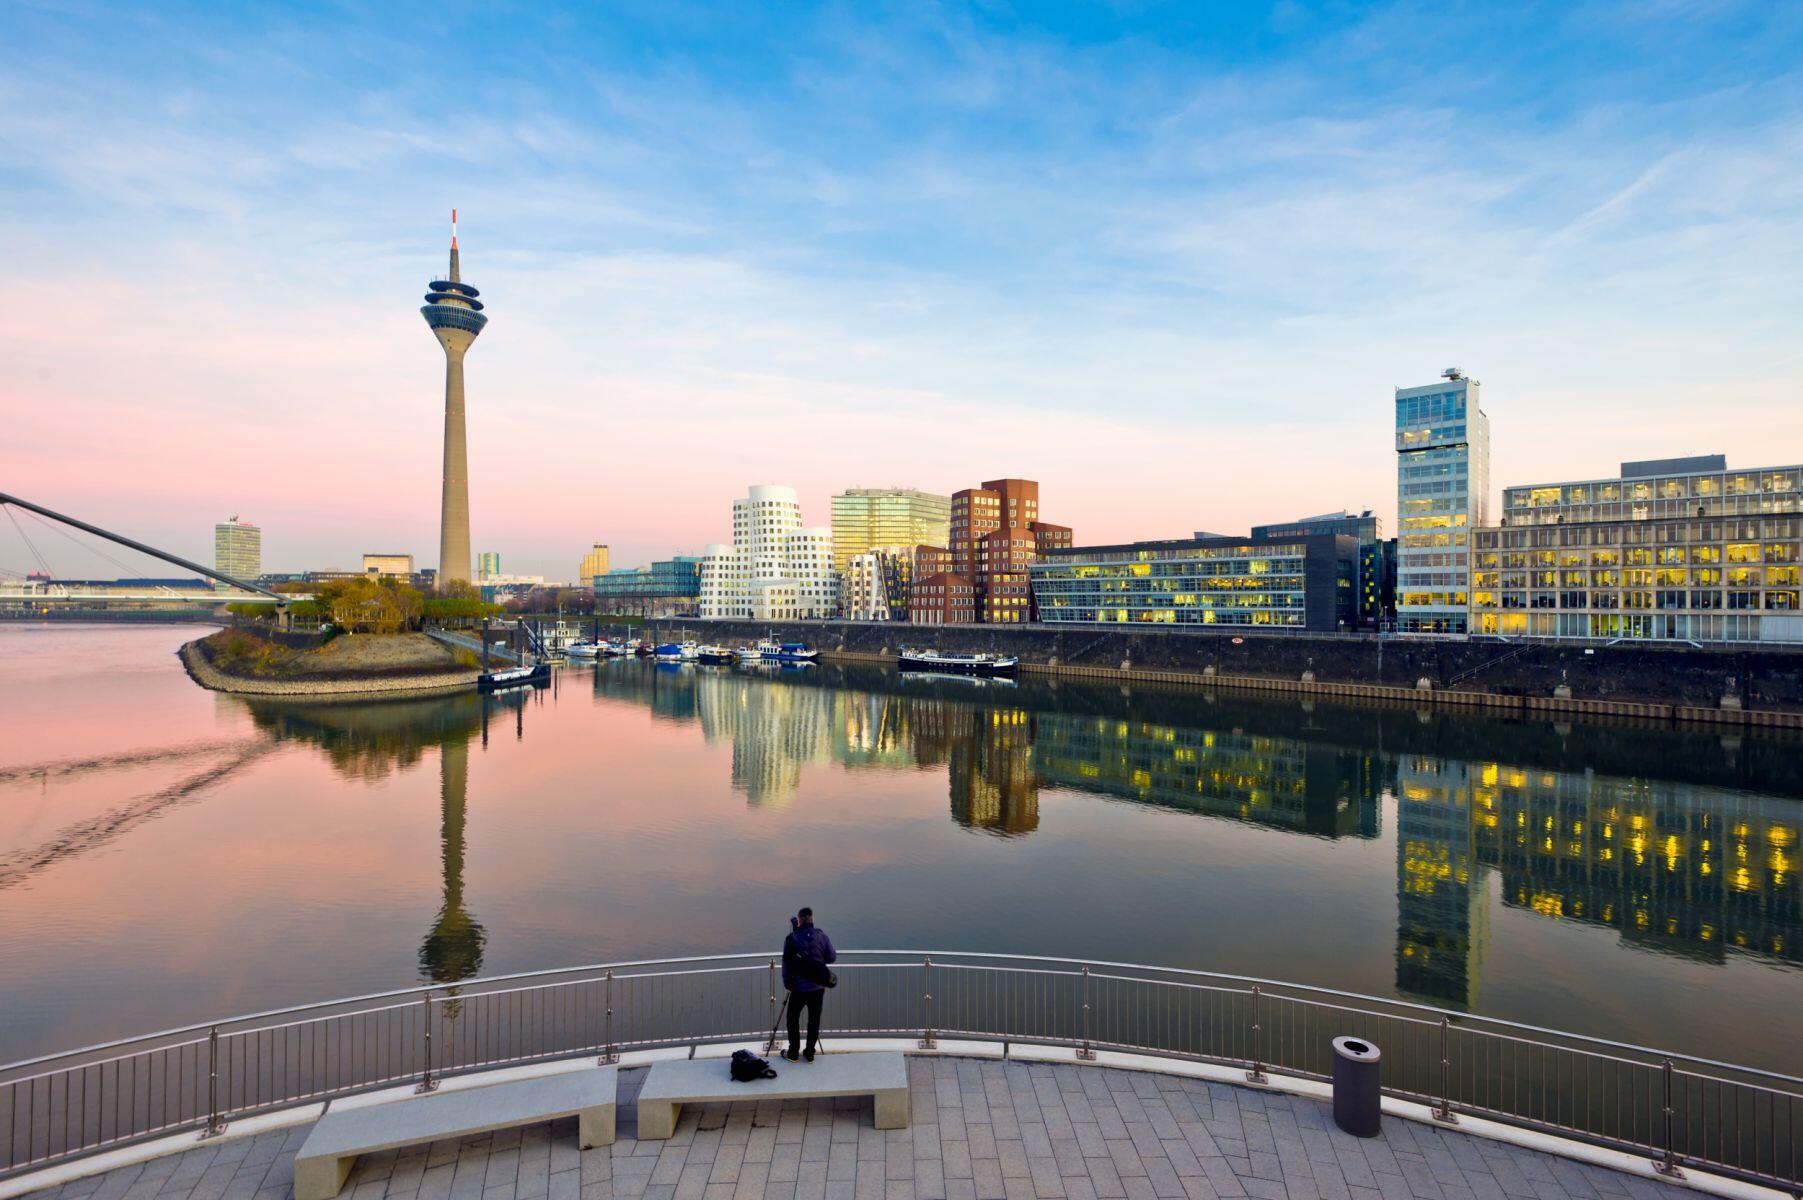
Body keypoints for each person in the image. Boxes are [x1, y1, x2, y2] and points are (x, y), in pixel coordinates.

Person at [780, 906, 837, 1062]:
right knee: (814, 1020)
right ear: (812, 919)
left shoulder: (791, 939)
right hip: (818, 988)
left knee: (792, 1019)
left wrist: (787, 983)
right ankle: (810, 1053)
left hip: (797, 988)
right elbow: (831, 957)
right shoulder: (821, 937)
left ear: (798, 921)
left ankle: (793, 1053)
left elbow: (786, 964)